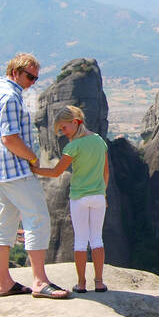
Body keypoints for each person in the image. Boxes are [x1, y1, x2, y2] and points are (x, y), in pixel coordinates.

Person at [0, 53, 69, 298]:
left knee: (4, 222)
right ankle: (40, 282)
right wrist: (32, 158)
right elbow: (10, 138)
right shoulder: (10, 97)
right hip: (15, 170)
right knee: (38, 219)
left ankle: (4, 282)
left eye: (35, 78)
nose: (32, 82)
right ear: (15, 72)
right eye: (29, 76)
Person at [31, 106, 109, 293]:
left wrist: (34, 169)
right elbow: (106, 172)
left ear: (75, 122)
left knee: (81, 241)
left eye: (64, 128)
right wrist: (103, 193)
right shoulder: (99, 141)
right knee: (97, 240)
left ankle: (81, 284)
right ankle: (99, 282)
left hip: (79, 197)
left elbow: (56, 172)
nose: (63, 133)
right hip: (98, 197)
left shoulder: (73, 147)